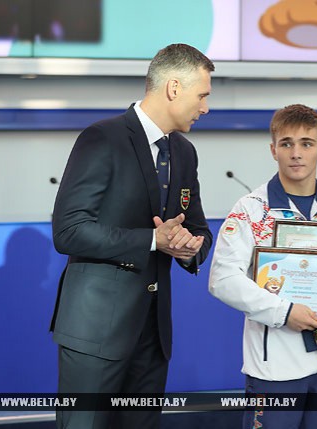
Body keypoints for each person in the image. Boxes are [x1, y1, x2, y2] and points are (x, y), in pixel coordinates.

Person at [50, 43, 215, 429]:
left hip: (152, 337)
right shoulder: (102, 138)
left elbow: (198, 228)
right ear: (174, 87)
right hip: (95, 332)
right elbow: (69, 230)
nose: (205, 107)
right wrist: (152, 241)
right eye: (202, 95)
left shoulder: (185, 153)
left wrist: (191, 248)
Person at [209, 104, 317, 429]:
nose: (296, 153)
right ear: (273, 150)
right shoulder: (251, 210)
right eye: (286, 143)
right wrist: (285, 312)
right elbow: (222, 279)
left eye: (306, 143)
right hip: (275, 368)